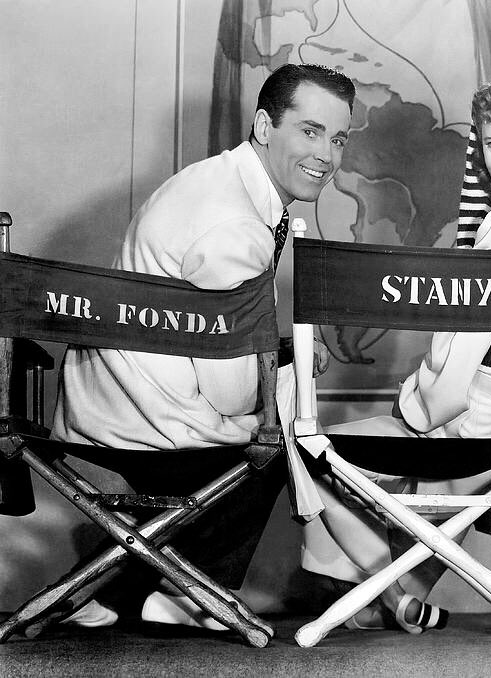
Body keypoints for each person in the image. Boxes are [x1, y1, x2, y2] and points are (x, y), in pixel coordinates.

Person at [51, 63, 354, 629]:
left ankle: (116, 590)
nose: (327, 155)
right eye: (310, 131)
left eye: (337, 138)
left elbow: (206, 332)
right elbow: (233, 397)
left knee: (278, 390)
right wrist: (290, 365)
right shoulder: (236, 226)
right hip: (146, 424)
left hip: (113, 396)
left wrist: (275, 349)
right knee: (282, 426)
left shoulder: (212, 178)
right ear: (265, 126)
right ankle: (195, 595)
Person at [298, 69, 491, 633]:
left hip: (465, 421)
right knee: (440, 506)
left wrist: (412, 408)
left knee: (305, 451)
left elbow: (461, 350)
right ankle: (395, 598)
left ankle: (375, 589)